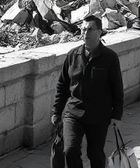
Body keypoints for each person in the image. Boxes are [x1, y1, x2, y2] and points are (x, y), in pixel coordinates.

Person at [51, 15, 123, 168]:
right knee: (70, 150)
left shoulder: (110, 58)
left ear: (100, 32)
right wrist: (56, 112)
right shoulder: (72, 55)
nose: (85, 33)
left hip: (98, 114)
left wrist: (117, 114)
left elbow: (117, 87)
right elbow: (62, 85)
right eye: (83, 29)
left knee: (95, 153)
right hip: (74, 112)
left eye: (90, 29)